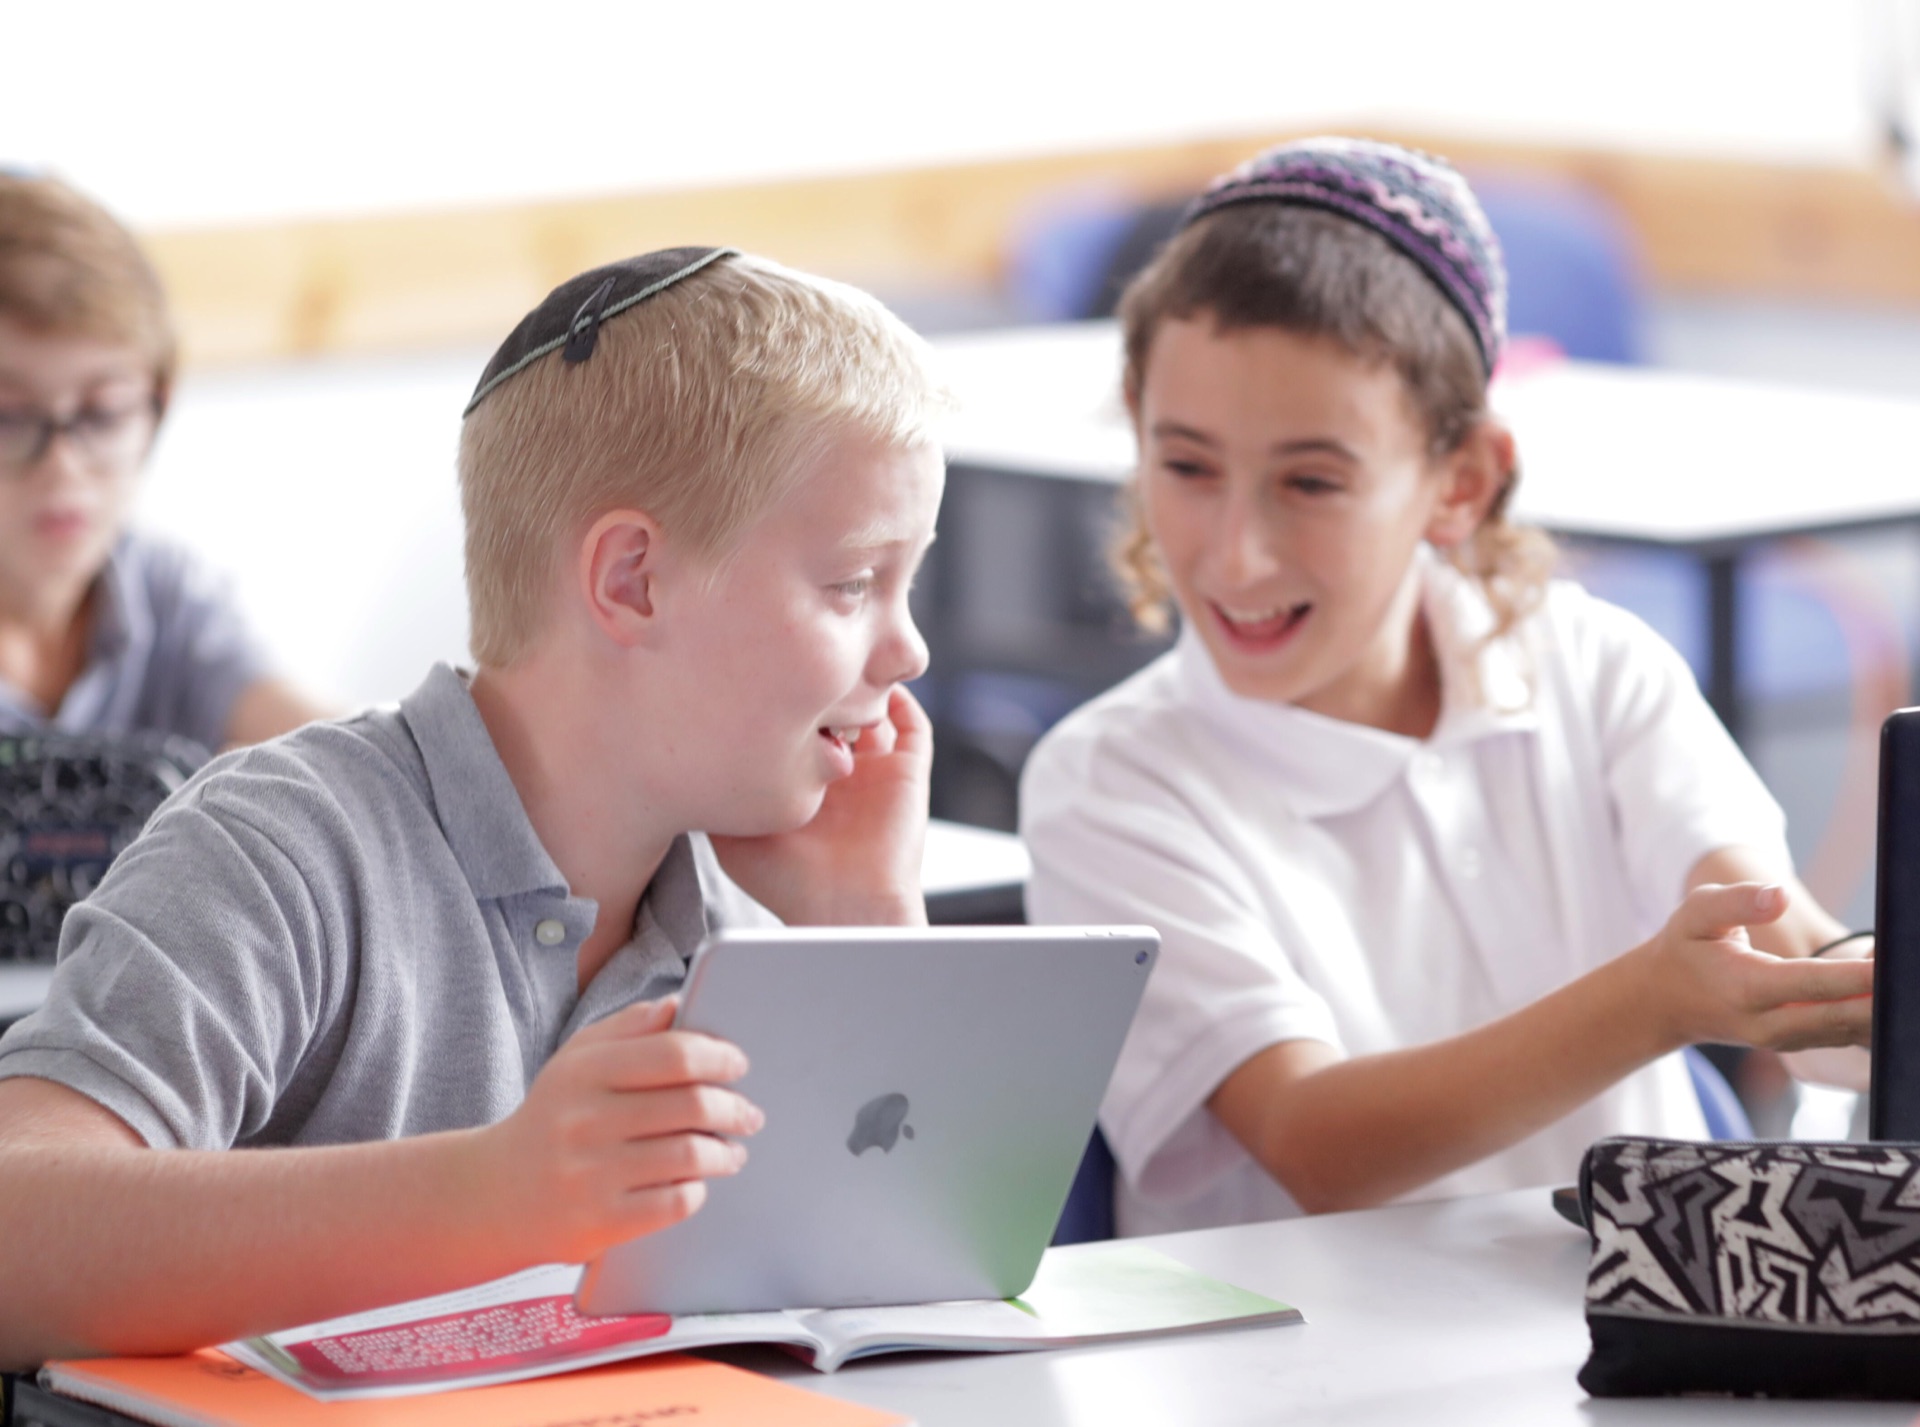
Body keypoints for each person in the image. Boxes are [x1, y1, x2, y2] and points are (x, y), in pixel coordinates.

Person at [0, 246, 947, 1363]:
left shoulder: (734, 927)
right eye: (852, 583)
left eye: (909, 583)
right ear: (632, 579)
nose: (912, 647)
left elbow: (906, 1294)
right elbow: (20, 1235)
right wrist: (497, 1189)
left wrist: (866, 917)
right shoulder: (285, 847)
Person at [1019, 139, 1873, 1238]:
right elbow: (1315, 1143)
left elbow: (1791, 963)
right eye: (1186, 466)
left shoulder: (1598, 668)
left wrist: (1859, 993)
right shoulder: (1111, 781)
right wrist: (1654, 998)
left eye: (1312, 481)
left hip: (1618, 1350)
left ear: (1460, 479)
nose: (1235, 554)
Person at [0, 171, 324, 749]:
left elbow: (322, 755)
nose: (63, 467)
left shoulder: (166, 599)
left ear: (158, 405)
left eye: (102, 414)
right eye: (10, 418)